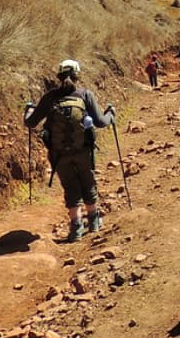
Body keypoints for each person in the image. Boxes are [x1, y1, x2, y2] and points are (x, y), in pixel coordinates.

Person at [24, 59, 114, 242]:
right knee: (87, 181)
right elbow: (100, 122)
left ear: (59, 76)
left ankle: (76, 228)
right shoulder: (85, 95)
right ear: (77, 75)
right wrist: (111, 114)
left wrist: (28, 110)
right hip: (83, 150)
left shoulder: (50, 97)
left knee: (70, 186)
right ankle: (94, 222)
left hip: (59, 154)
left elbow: (30, 122)